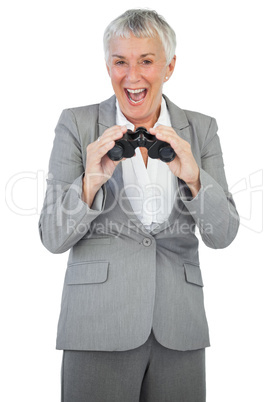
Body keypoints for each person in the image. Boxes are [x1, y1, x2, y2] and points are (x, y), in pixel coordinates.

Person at [39, 9, 239, 402]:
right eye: (120, 62)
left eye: (146, 61)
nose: (132, 77)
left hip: (179, 331)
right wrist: (90, 181)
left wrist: (195, 179)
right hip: (96, 327)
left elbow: (224, 234)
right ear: (107, 66)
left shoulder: (202, 129)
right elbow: (52, 236)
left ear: (170, 66)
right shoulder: (77, 125)